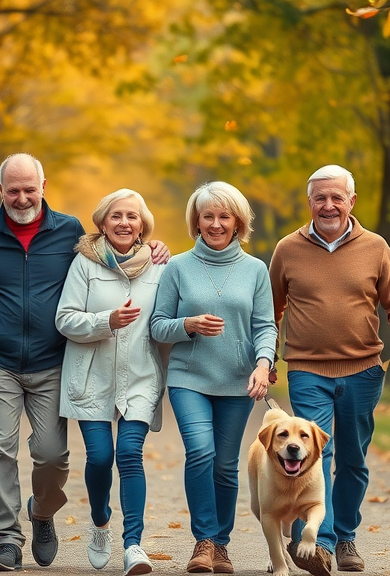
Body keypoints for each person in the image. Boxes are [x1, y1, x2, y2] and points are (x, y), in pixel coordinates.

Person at [0, 153, 169, 572]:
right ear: (0, 190)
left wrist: (152, 248)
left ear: (44, 186)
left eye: (29, 189)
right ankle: (7, 540)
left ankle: (41, 512)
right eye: (13, 189)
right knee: (1, 448)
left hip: (50, 361)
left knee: (52, 456)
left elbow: (117, 257)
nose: (22, 197)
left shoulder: (68, 232)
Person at [269, 165, 390, 575]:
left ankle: (345, 537)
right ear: (309, 202)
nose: (328, 205)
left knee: (354, 460)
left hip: (363, 371)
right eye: (320, 198)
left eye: (336, 197)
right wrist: (266, 360)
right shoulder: (287, 249)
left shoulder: (377, 247)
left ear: (351, 201)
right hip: (307, 370)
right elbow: (271, 310)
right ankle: (317, 543)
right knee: (312, 453)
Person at [150, 181, 277, 575]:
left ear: (238, 221)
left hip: (237, 381)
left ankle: (221, 545)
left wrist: (262, 364)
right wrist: (187, 324)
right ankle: (203, 540)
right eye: (209, 216)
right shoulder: (177, 268)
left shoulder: (256, 270)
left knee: (225, 465)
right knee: (200, 451)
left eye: (225, 216)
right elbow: (157, 326)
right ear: (197, 221)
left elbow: (266, 326)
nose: (217, 224)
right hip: (189, 377)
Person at [55, 189, 167, 576]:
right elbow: (65, 318)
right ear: (103, 223)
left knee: (130, 455)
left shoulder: (159, 265)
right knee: (101, 457)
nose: (124, 223)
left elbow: (165, 320)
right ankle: (100, 520)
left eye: (132, 217)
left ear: (143, 225)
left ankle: (133, 545)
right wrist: (106, 321)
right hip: (92, 377)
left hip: (140, 377)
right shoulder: (84, 264)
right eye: (116, 216)